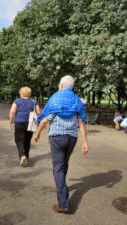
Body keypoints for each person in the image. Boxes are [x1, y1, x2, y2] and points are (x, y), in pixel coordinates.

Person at [33, 75, 88, 213]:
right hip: (72, 139)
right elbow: (81, 122)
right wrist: (85, 142)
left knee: (58, 167)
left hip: (57, 138)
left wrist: (38, 133)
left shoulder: (55, 99)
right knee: (64, 163)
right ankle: (62, 186)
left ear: (61, 86)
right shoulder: (76, 100)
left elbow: (45, 120)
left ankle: (63, 203)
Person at [9, 87, 42, 167]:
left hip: (19, 123)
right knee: (27, 140)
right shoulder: (34, 102)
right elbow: (39, 112)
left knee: (19, 140)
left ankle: (22, 156)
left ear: (21, 93)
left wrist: (10, 122)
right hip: (30, 124)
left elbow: (12, 112)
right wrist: (40, 122)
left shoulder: (17, 101)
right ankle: (26, 156)